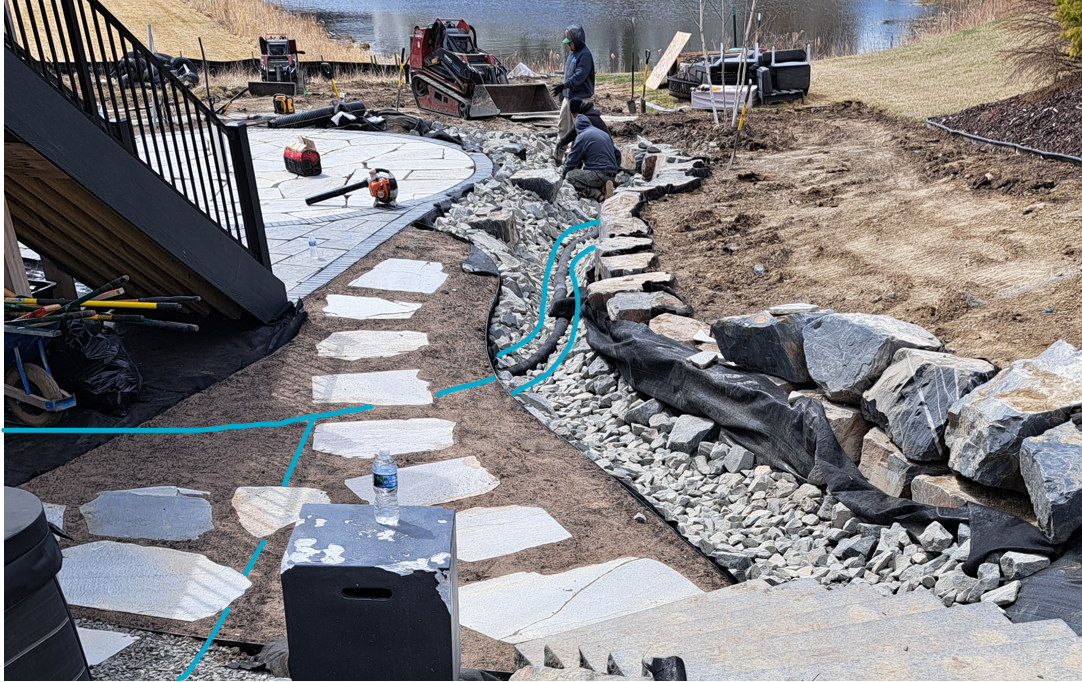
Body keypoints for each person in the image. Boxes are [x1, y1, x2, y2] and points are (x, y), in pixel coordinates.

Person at [551, 25, 595, 139]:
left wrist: (564, 86)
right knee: (563, 126)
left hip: (580, 98)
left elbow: (579, 76)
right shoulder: (572, 54)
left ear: (577, 40)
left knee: (579, 128)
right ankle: (559, 152)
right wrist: (563, 92)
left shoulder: (585, 56)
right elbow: (568, 75)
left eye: (570, 43)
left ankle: (579, 153)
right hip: (569, 96)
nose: (568, 45)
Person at [562, 114, 618, 202]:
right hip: (612, 174)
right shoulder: (604, 134)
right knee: (593, 177)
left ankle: (596, 194)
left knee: (570, 176)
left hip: (598, 174)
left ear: (577, 127)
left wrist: (563, 174)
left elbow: (571, 160)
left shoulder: (582, 137)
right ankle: (604, 188)